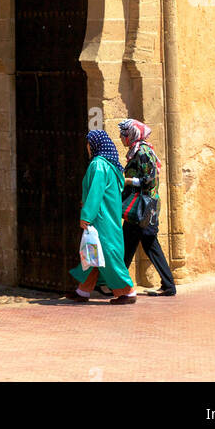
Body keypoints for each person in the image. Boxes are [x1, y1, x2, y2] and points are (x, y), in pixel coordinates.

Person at [69, 129, 136, 304]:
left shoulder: (98, 164)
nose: (87, 147)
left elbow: (95, 193)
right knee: (93, 254)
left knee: (107, 254)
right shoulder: (112, 165)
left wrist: (86, 216)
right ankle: (82, 291)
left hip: (101, 219)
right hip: (108, 217)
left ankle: (127, 292)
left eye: (89, 143)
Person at [118, 118, 177, 297]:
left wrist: (127, 180)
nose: (121, 138)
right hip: (139, 208)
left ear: (131, 135)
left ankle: (168, 285)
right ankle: (115, 283)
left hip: (143, 207)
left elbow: (149, 179)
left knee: (147, 243)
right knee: (128, 244)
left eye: (123, 135)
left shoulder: (143, 152)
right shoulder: (137, 151)